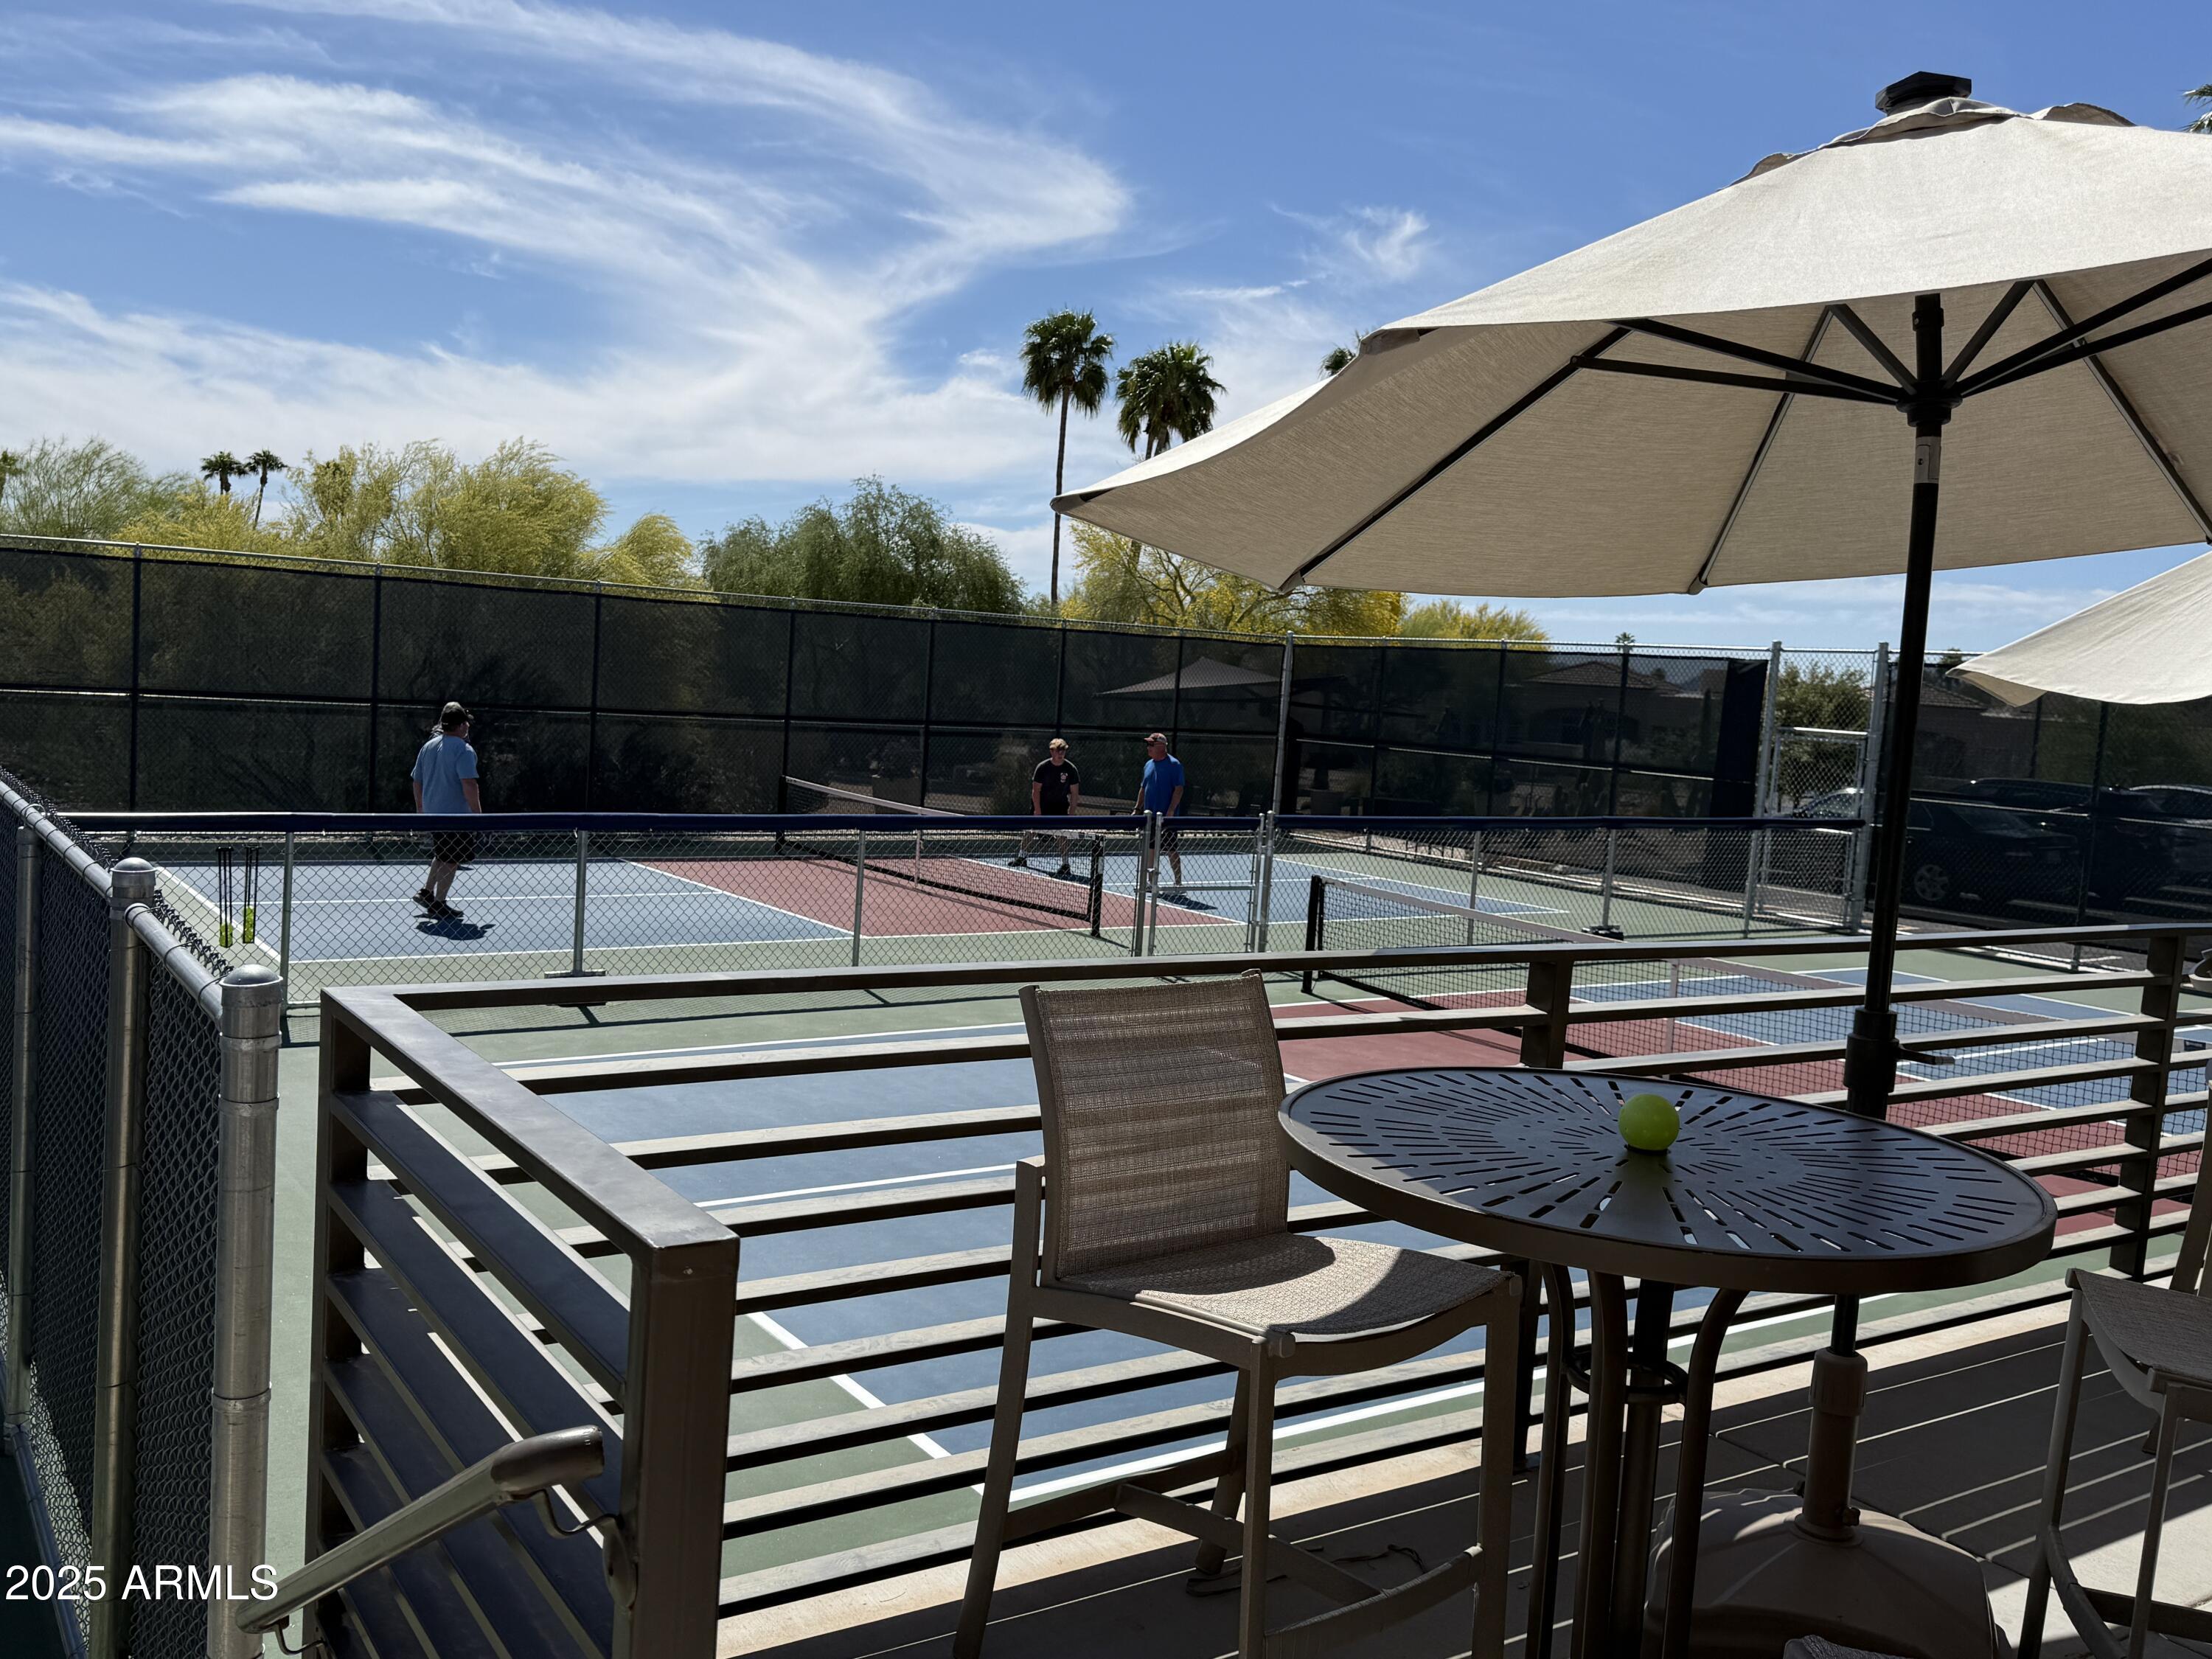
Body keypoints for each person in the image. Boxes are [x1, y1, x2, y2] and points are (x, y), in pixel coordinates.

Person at [411, 702, 482, 919]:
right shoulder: (464, 749)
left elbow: (417, 780)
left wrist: (421, 809)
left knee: (442, 853)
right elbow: (469, 784)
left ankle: (426, 892)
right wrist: (479, 817)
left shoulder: (428, 746)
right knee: (451, 859)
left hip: (434, 814)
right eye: (466, 723)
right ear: (461, 726)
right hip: (455, 817)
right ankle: (439, 904)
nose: (468, 726)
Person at [1010, 737, 1082, 877]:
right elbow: (1036, 790)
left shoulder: (1071, 769)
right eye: (1058, 750)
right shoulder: (1042, 768)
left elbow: (1074, 793)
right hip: (1042, 805)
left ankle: (1065, 864)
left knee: (1062, 835)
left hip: (1060, 807)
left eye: (1064, 750)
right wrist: (1037, 811)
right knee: (1031, 830)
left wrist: (1071, 813)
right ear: (1052, 751)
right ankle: (1022, 857)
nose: (1061, 753)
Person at [1138, 731, 1186, 897]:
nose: (1148, 747)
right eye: (1148, 744)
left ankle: (1178, 883)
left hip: (1167, 817)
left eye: (1151, 744)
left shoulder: (1174, 765)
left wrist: (1171, 810)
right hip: (1150, 817)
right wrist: (1137, 808)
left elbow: (1179, 789)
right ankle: (1151, 883)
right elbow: (1143, 788)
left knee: (1171, 849)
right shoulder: (1148, 764)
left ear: (1161, 746)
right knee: (1150, 848)